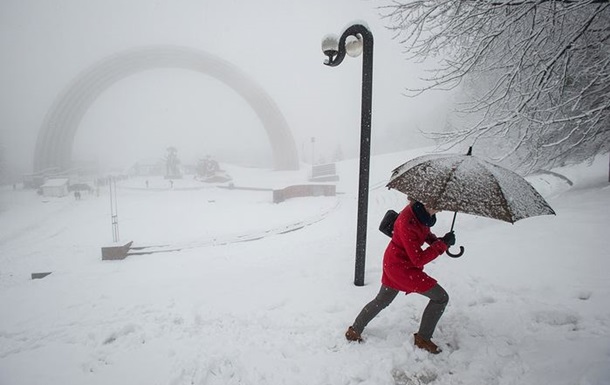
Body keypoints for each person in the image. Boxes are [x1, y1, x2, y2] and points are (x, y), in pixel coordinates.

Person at [345, 200, 456, 354]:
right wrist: (442, 245)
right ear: (429, 203)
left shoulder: (420, 213)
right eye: (440, 207)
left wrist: (437, 241)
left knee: (382, 300)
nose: (442, 209)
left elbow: (423, 232)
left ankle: (354, 330)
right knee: (441, 297)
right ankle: (423, 339)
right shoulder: (408, 222)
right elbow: (418, 259)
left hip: (395, 262)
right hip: (402, 269)